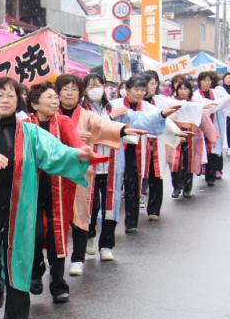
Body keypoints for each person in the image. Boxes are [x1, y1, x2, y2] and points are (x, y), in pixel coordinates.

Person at [0, 77, 93, 319]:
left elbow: (54, 151)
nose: (5, 100)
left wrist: (77, 155)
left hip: (21, 212)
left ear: (18, 100)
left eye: (10, 95)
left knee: (18, 268)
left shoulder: (30, 132)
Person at [55, 74, 145, 275]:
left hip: (85, 170)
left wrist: (122, 130)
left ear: (80, 93)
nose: (69, 93)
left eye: (73, 89)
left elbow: (104, 126)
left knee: (83, 211)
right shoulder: (51, 114)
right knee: (54, 216)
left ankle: (78, 258)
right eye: (65, 89)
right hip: (55, 172)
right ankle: (52, 262)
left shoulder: (90, 114)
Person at [25, 82, 85, 302]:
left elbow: (75, 144)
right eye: (49, 97)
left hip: (59, 188)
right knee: (35, 233)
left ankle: (58, 283)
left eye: (55, 97)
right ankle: (36, 270)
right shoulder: (24, 125)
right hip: (31, 188)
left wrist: (81, 152)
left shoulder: (64, 122)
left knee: (56, 235)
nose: (54, 101)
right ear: (34, 103)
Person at [109, 75, 181, 233]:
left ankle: (131, 221)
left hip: (138, 148)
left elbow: (158, 120)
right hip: (118, 148)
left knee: (133, 183)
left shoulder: (147, 106)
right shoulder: (115, 105)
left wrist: (177, 132)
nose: (139, 93)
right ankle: (109, 221)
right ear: (126, 89)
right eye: (136, 89)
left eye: (143, 90)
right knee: (113, 186)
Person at [168, 81, 218, 199]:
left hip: (192, 137)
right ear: (177, 90)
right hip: (175, 137)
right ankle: (176, 187)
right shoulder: (172, 104)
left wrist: (212, 137)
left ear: (190, 91)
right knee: (174, 163)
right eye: (181, 88)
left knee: (188, 163)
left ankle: (187, 188)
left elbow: (205, 122)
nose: (183, 91)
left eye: (186, 89)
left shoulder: (196, 105)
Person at [193, 71, 228, 185]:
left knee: (213, 150)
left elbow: (222, 102)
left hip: (214, 125)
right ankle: (201, 169)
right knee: (203, 150)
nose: (206, 83)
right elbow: (205, 106)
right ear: (200, 82)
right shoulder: (196, 95)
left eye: (208, 80)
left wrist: (216, 104)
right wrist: (213, 105)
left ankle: (210, 176)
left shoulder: (215, 93)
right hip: (201, 127)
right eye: (204, 80)